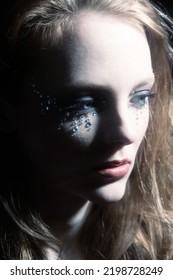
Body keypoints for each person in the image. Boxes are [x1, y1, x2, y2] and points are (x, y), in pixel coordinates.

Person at [0, 0, 173, 260]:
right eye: (84, 104)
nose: (125, 132)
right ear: (7, 109)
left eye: (140, 97)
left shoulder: (162, 244)